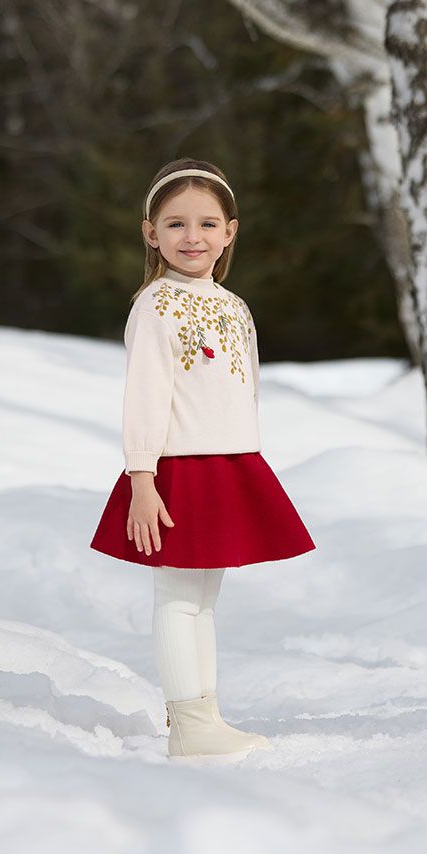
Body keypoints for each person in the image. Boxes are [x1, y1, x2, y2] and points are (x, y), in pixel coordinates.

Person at [90, 159, 315, 759]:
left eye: (208, 224)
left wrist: (246, 461)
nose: (193, 237)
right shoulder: (155, 305)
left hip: (228, 466)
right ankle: (189, 726)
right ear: (151, 233)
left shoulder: (235, 306)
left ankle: (204, 714)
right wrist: (142, 478)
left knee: (204, 600)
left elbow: (246, 391)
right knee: (177, 596)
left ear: (230, 232)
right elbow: (144, 396)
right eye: (176, 224)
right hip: (176, 471)